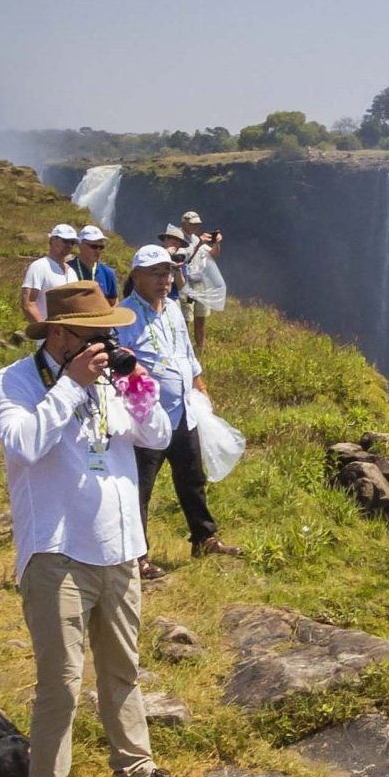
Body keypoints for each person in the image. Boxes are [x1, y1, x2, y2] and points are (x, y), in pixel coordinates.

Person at [0, 281, 201, 777]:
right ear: (59, 334)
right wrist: (70, 387)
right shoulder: (15, 382)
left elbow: (156, 433)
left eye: (111, 334)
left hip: (119, 546)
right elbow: (22, 443)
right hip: (56, 549)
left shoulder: (111, 377)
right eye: (95, 335)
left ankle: (134, 774)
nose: (107, 343)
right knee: (60, 683)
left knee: (123, 669)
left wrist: (133, 382)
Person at [118, 245, 241, 575]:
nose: (165, 280)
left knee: (192, 478)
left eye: (168, 272)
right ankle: (136, 556)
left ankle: (204, 538)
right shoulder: (123, 315)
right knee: (139, 488)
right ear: (136, 276)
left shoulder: (172, 309)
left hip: (183, 411)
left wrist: (199, 382)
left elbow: (185, 350)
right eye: (156, 273)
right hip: (146, 417)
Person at [179, 212, 223, 352]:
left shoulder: (198, 240)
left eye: (197, 224)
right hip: (185, 285)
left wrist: (217, 243)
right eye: (192, 223)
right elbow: (183, 257)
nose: (195, 226)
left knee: (200, 319)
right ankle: (181, 349)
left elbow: (213, 255)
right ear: (184, 223)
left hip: (201, 285)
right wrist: (199, 243)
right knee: (185, 319)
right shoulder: (178, 239)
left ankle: (200, 350)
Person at [21, 224, 78, 327]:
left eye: (72, 242)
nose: (69, 245)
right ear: (52, 240)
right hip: (49, 338)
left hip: (70, 336)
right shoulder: (39, 267)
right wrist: (45, 331)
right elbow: (28, 303)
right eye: (65, 241)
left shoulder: (72, 273)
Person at [73, 226, 119, 301]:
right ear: (80, 245)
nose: (98, 251)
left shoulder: (108, 273)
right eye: (93, 246)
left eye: (101, 247)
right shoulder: (68, 270)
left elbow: (114, 302)